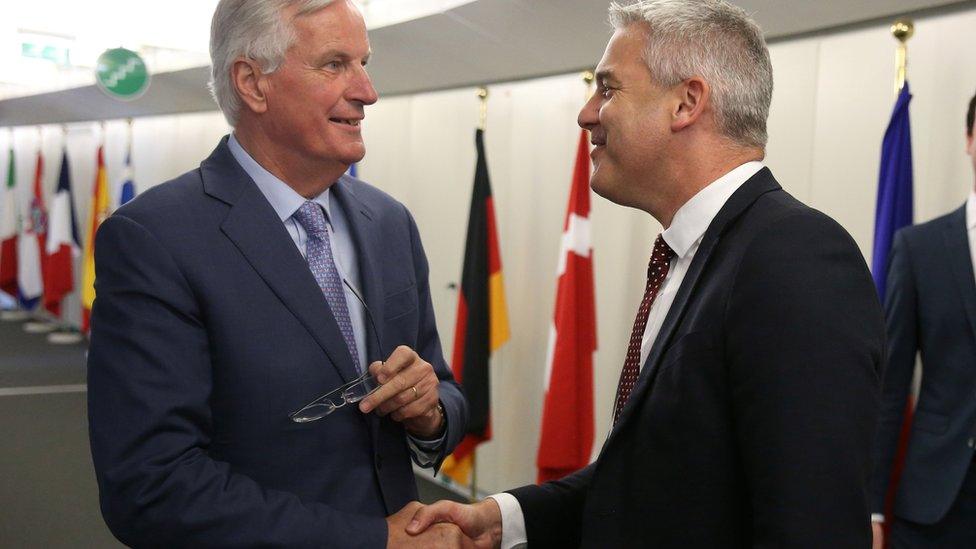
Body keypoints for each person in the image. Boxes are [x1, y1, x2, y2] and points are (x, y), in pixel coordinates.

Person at [407, 1, 884, 547]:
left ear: (686, 103)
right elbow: (653, 478)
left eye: (607, 89)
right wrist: (505, 520)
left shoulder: (796, 259)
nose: (587, 113)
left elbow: (810, 527)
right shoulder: (694, 255)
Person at [86, 1, 469, 547]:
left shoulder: (388, 222)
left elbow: (445, 388)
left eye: (364, 62)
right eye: (335, 64)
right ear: (252, 83)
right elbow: (151, 486)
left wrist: (429, 412)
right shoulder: (156, 239)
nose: (368, 91)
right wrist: (372, 540)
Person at [871, 91, 976, 549]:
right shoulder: (919, 250)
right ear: (970, 140)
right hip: (936, 506)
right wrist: (872, 505)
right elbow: (891, 386)